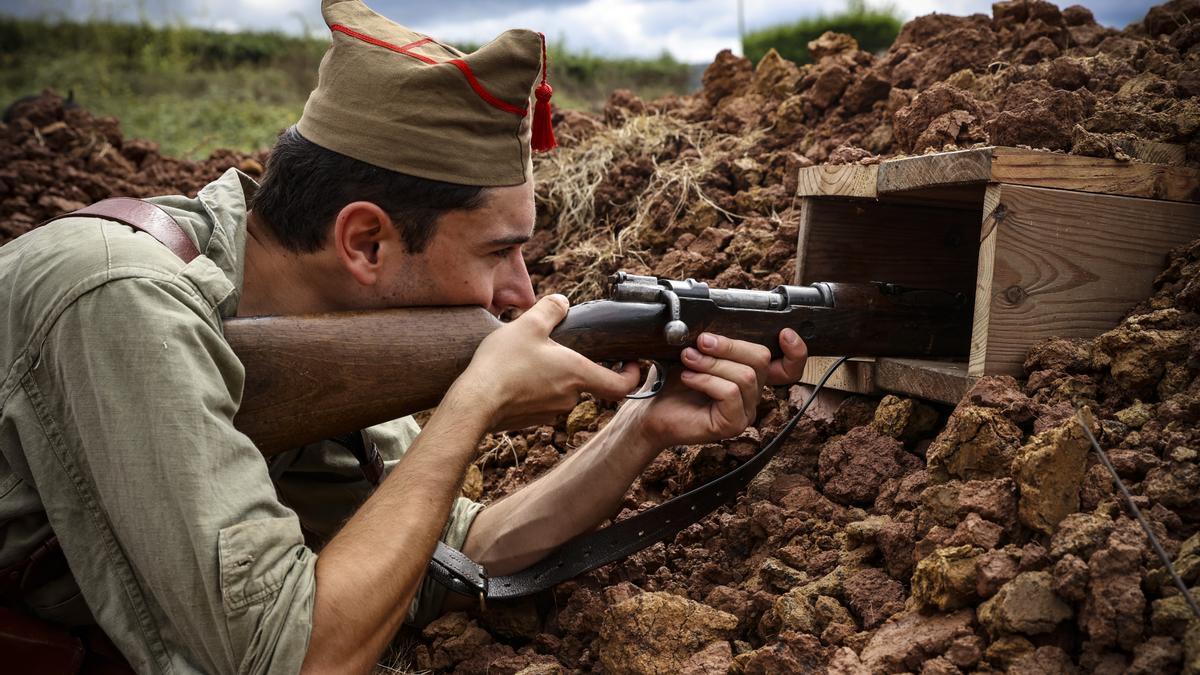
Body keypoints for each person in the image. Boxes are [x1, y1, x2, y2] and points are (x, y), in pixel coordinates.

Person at [0, 0, 808, 672]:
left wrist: (642, 430)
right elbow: (288, 659)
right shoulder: (119, 296)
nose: (524, 290)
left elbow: (447, 558)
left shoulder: (327, 324)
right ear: (366, 244)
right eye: (499, 251)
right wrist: (474, 400)